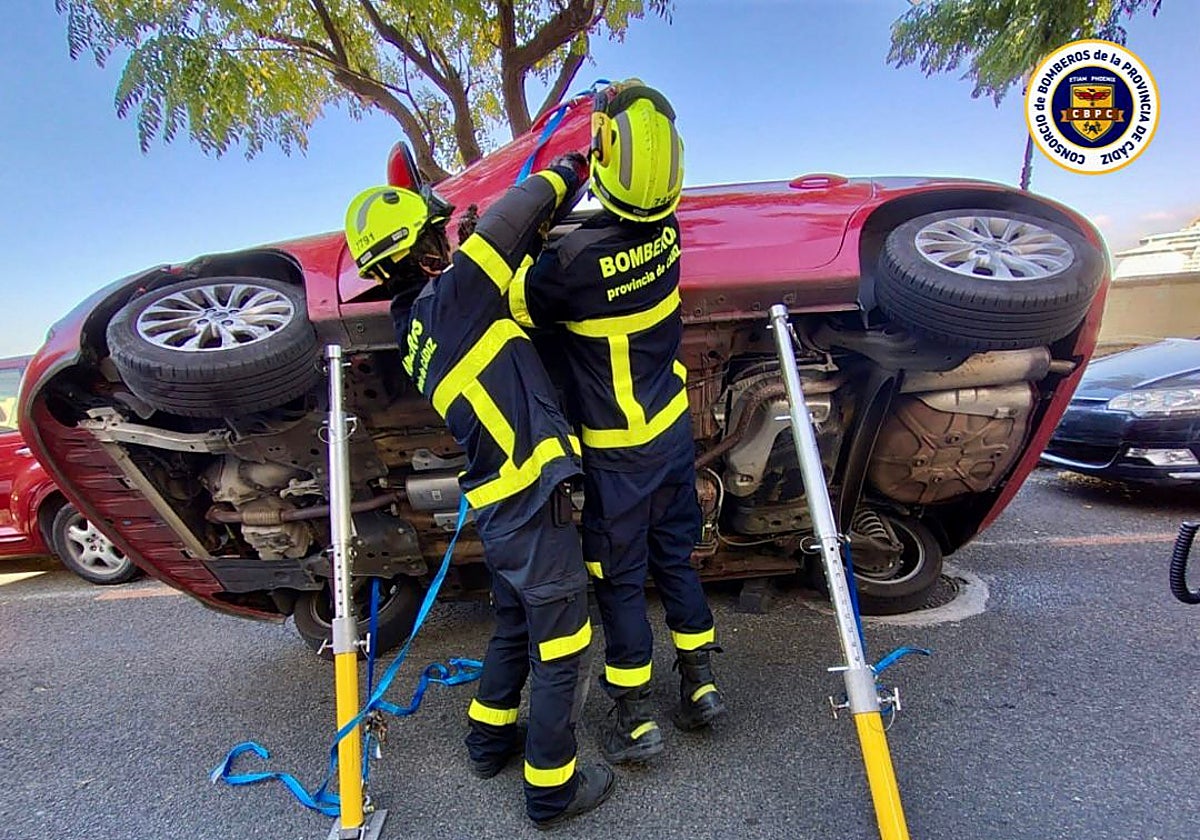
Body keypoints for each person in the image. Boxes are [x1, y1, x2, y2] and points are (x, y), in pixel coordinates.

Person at [343, 152, 614, 828]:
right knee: (563, 646)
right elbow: (513, 218)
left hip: (499, 504)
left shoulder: (414, 324)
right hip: (532, 500)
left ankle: (488, 741)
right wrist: (570, 169)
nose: (448, 242)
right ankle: (551, 790)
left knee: (516, 625)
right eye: (437, 235)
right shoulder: (454, 297)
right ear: (422, 249)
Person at [506, 80, 724, 765]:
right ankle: (700, 685)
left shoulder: (571, 263)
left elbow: (513, 299)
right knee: (677, 560)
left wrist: (532, 220)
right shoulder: (670, 235)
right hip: (671, 438)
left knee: (622, 580)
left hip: (616, 456)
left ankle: (634, 718)